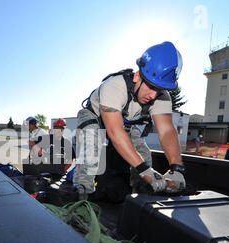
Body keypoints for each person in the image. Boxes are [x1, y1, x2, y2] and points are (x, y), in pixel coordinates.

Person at [73, 41, 186, 198]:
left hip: (123, 122)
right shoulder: (114, 86)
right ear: (137, 76)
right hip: (95, 118)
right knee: (91, 149)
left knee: (144, 154)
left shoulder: (161, 97)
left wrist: (177, 168)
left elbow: (167, 131)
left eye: (160, 90)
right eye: (152, 87)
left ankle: (139, 199)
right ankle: (81, 196)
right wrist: (144, 170)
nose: (154, 95)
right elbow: (114, 131)